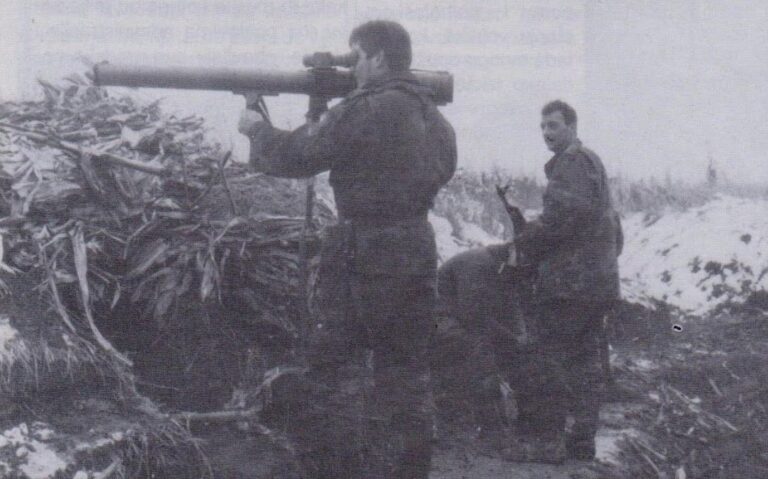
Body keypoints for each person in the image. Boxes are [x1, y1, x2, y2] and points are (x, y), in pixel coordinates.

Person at [238, 20, 456, 479]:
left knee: (334, 371)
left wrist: (257, 128)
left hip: (364, 254)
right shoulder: (434, 117)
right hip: (414, 250)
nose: (351, 69)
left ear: (378, 58)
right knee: (406, 376)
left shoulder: (366, 108)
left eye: (355, 58)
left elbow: (299, 156)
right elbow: (437, 167)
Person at [511, 100, 622, 463]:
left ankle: (549, 443)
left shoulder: (571, 163)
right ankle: (581, 440)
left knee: (550, 358)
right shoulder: (591, 162)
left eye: (554, 125)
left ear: (571, 127)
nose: (546, 133)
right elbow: (609, 226)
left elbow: (560, 221)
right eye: (543, 127)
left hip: (569, 285)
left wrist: (525, 238)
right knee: (585, 360)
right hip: (595, 283)